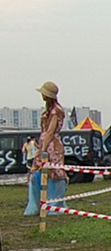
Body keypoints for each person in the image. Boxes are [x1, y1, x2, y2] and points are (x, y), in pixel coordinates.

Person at [35, 81, 67, 211]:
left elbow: (50, 131)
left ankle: (55, 204)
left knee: (55, 172)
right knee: (38, 172)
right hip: (46, 142)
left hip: (52, 145)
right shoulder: (49, 110)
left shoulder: (56, 111)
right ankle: (40, 202)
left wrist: (42, 149)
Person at [21, 136, 41, 216]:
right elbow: (39, 147)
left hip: (28, 158)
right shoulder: (33, 143)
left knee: (29, 171)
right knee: (35, 169)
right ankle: (33, 180)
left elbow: (23, 150)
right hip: (33, 157)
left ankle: (29, 181)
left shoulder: (26, 144)